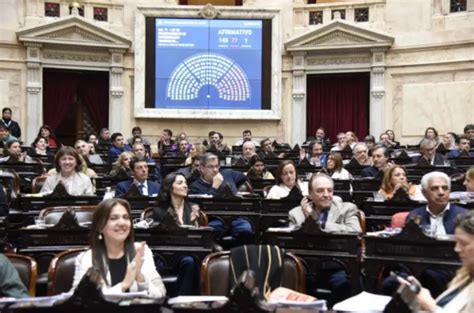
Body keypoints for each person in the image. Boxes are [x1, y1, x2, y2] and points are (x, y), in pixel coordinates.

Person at [383, 171, 468, 296]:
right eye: (435, 188)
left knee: (428, 276)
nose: (441, 192)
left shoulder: (464, 216)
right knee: (390, 283)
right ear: (424, 193)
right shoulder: (414, 215)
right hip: (417, 265)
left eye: (445, 188)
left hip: (450, 269)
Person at [288, 174, 361, 304]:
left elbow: (355, 231)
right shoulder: (296, 213)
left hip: (337, 266)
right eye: (320, 190)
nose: (326, 194)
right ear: (310, 194)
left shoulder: (347, 209)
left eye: (329, 190)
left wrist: (317, 221)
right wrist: (308, 219)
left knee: (347, 283)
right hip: (305, 268)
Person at [72, 198, 166, 298]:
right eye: (113, 218)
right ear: (100, 226)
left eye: (126, 217)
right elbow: (82, 300)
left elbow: (160, 294)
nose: (122, 223)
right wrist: (124, 285)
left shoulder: (140, 251)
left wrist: (140, 277)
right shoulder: (87, 258)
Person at [396, 210, 474, 312]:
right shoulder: (466, 274)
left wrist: (430, 306)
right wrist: (419, 298)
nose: (457, 249)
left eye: (463, 243)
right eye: (457, 242)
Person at [153, 173, 205, 295]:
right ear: (170, 187)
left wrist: (193, 221)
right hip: (165, 252)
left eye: (186, 183)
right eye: (180, 183)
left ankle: (182, 302)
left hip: (187, 251)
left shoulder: (193, 208)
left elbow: (198, 237)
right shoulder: (159, 210)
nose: (185, 186)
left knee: (189, 261)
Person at [190, 153, 253, 245]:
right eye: (210, 167)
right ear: (202, 168)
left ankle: (238, 254)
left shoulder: (228, 174)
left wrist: (240, 189)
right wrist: (215, 186)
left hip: (236, 216)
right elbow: (206, 205)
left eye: (217, 166)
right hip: (215, 219)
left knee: (246, 229)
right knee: (210, 232)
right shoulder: (196, 186)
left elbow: (246, 175)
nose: (215, 170)